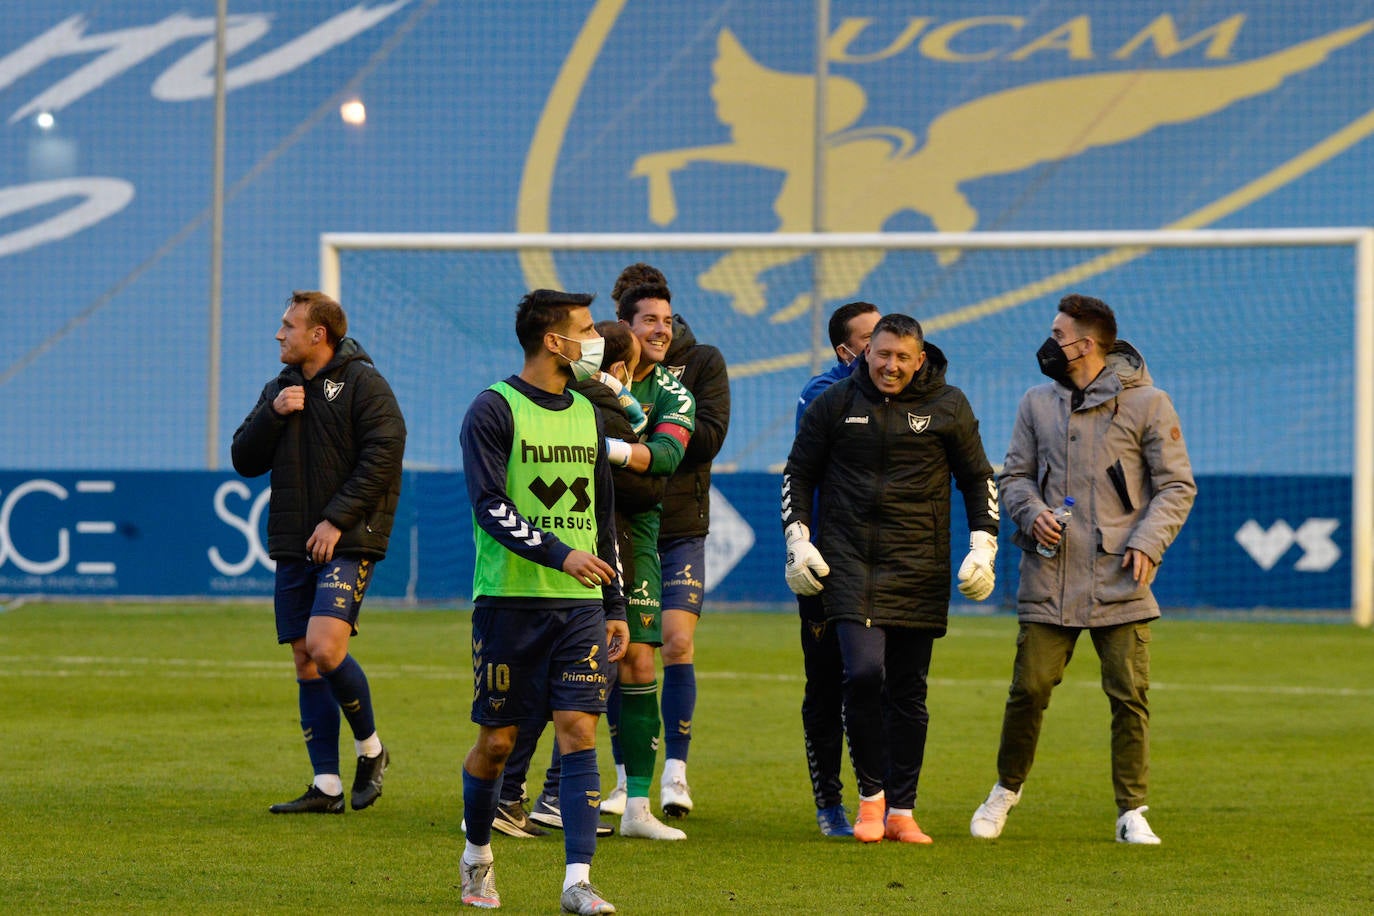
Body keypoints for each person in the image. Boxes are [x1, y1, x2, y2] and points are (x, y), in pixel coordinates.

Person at [969, 294, 1196, 845]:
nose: (1049, 342)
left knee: (1128, 694)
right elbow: (1014, 477)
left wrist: (1147, 540)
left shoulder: (1150, 404)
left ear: (1085, 344)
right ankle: (1003, 792)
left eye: (1057, 332)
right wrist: (1033, 511)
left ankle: (1131, 812)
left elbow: (1176, 485)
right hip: (1050, 574)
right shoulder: (1035, 402)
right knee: (1029, 689)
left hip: (1121, 576)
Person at [781, 313, 1000, 845]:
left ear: (919, 360)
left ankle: (902, 810)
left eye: (903, 357)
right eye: (882, 354)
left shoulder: (949, 406)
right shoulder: (833, 404)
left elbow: (978, 478)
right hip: (847, 563)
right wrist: (798, 537)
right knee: (861, 674)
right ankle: (871, 799)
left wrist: (984, 544)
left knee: (908, 691)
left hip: (918, 564)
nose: (891, 366)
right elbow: (798, 473)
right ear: (864, 354)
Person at [457, 289, 628, 913]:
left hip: (579, 607)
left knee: (580, 730)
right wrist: (562, 555)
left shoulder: (588, 412)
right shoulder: (492, 409)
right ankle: (477, 857)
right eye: (585, 330)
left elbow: (602, 513)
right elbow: (491, 508)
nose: (596, 340)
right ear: (553, 342)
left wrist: (614, 604)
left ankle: (576, 881)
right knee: (497, 743)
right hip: (509, 602)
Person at [231, 290, 405, 815]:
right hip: (293, 542)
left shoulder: (363, 383)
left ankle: (371, 750)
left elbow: (385, 452)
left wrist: (336, 518)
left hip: (349, 538)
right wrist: (274, 415)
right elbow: (243, 457)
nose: (278, 334)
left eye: (288, 325)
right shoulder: (279, 389)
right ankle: (326, 785)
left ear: (317, 335)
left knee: (325, 648)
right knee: (307, 661)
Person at [503, 321, 657, 841]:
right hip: (565, 578)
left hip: (578, 580)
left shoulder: (575, 408)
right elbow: (644, 490)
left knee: (554, 701)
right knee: (567, 701)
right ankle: (529, 797)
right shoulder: (591, 410)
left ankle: (524, 800)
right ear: (619, 369)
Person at [612, 263, 731, 820]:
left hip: (679, 524)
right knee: (624, 652)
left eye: (664, 317)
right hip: (622, 527)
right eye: (642, 319)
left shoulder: (700, 363)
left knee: (676, 645)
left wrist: (655, 418)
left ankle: (676, 774)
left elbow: (704, 438)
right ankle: (621, 778)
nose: (657, 328)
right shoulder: (602, 374)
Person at [792, 300, 880, 838]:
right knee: (827, 682)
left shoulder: (912, 396)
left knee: (885, 682)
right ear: (846, 351)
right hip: (826, 559)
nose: (885, 348)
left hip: (889, 560)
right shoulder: (823, 393)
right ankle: (830, 802)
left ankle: (889, 799)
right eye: (871, 338)